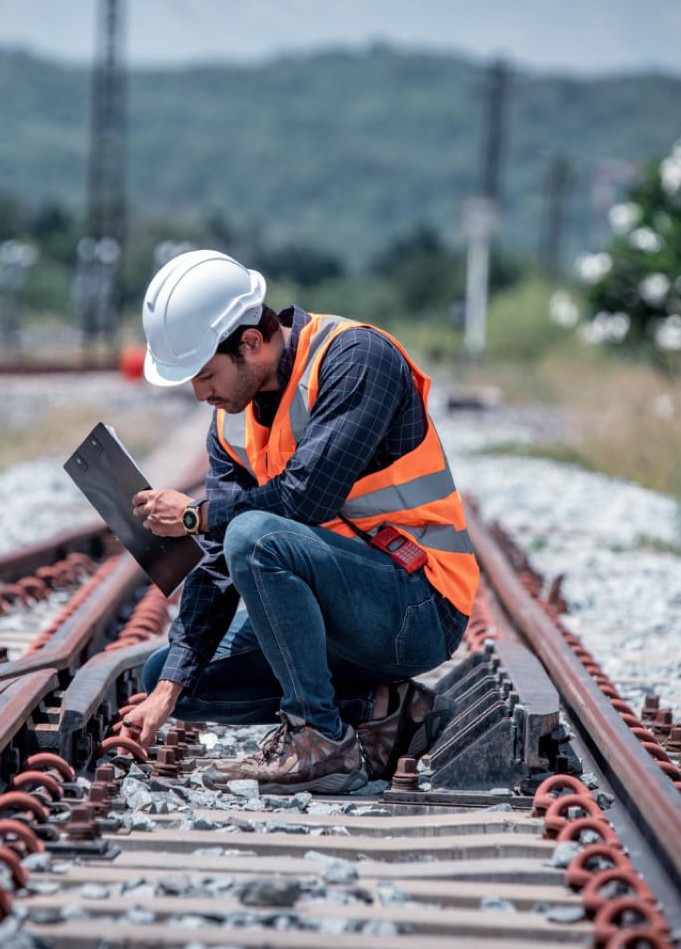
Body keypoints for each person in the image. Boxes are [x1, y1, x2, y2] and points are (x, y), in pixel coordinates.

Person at [124, 249, 479, 795]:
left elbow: (303, 501)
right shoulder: (231, 425)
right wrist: (169, 690)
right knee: (168, 673)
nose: (200, 394)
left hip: (418, 604)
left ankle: (319, 741)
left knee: (254, 535)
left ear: (250, 342)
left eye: (205, 375)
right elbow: (218, 564)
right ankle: (385, 708)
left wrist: (195, 515)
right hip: (341, 606)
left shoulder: (356, 359)